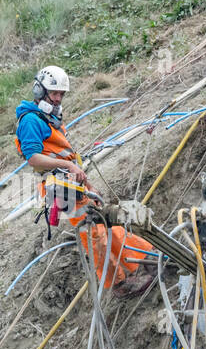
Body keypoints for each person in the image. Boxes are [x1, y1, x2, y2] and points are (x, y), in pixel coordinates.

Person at [15, 65, 155, 297]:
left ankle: (145, 257)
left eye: (61, 94)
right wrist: (69, 166)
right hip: (59, 187)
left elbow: (63, 154)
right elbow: (33, 158)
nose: (58, 99)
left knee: (107, 223)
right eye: (54, 93)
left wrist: (86, 183)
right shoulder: (31, 120)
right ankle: (119, 284)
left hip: (71, 183)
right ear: (40, 91)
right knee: (94, 233)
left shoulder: (48, 118)